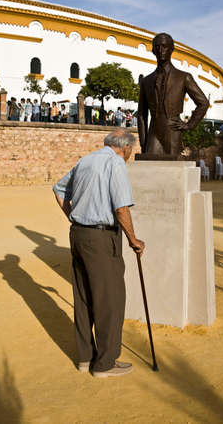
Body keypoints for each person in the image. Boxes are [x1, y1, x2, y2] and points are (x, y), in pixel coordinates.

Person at [53, 129, 145, 378]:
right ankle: (104, 364)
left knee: (83, 298)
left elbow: (59, 190)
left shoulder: (87, 159)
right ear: (125, 148)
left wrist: (73, 216)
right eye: (130, 152)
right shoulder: (115, 163)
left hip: (78, 234)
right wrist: (133, 239)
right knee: (110, 300)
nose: (129, 156)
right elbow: (121, 208)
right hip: (102, 237)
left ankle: (85, 358)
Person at [138, 32, 209, 157]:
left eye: (164, 46)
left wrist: (189, 125)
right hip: (153, 132)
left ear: (172, 49)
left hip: (173, 130)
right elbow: (141, 114)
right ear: (153, 51)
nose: (161, 50)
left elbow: (203, 103)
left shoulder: (183, 77)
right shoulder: (146, 81)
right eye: (157, 47)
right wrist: (143, 142)